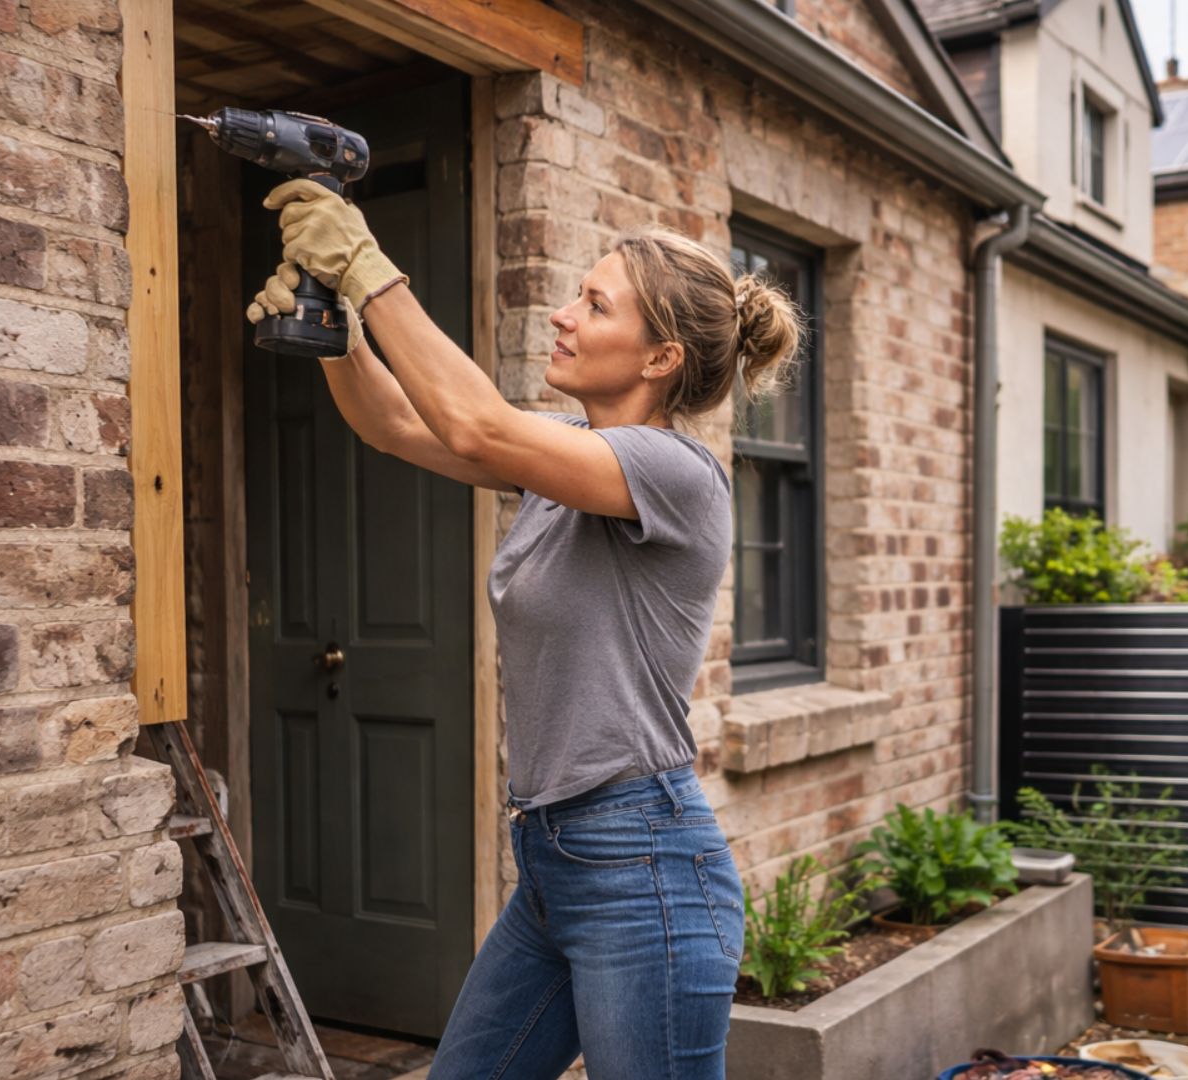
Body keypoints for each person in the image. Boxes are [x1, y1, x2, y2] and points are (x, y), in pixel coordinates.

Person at [246, 179, 803, 1080]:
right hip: (552, 862)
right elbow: (395, 424)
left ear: (661, 358)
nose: (562, 314)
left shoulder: (676, 474)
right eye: (574, 295)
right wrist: (337, 334)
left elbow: (473, 427)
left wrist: (366, 266)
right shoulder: (562, 457)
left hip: (643, 868)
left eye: (594, 304)